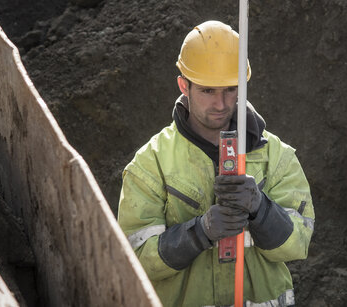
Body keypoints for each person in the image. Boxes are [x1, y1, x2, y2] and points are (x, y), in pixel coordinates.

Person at [117, 20, 315, 307]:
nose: (221, 104)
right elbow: (134, 260)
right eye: (208, 91)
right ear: (184, 85)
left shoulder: (276, 156)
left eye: (230, 90)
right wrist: (199, 232)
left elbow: (299, 244)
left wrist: (261, 209)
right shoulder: (151, 163)